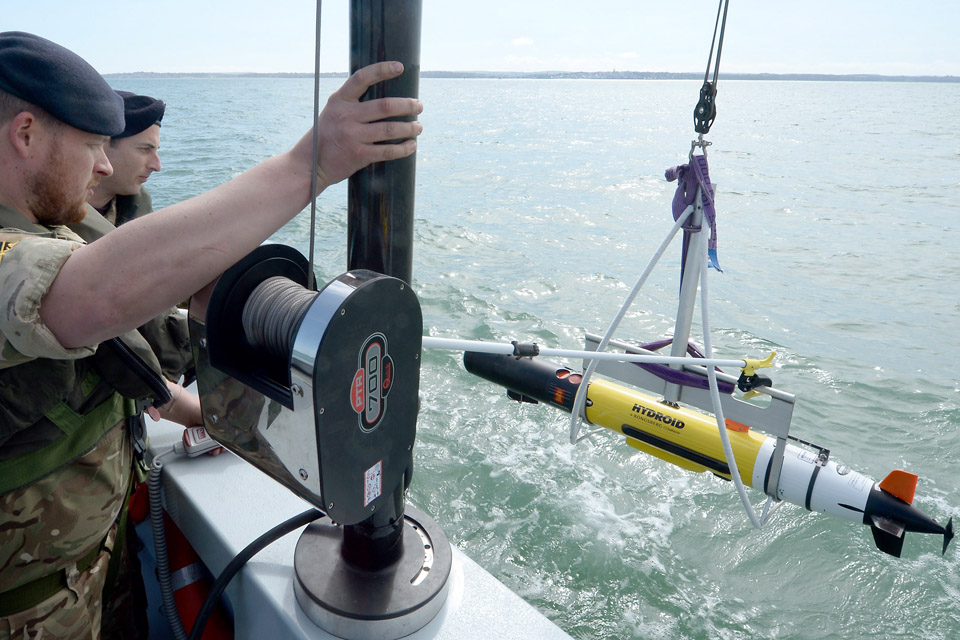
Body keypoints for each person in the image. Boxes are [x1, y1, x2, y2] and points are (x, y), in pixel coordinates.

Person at [0, 30, 422, 640]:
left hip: (94, 560)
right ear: (26, 134)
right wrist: (316, 165)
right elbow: (88, 296)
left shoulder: (46, 226)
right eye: (93, 144)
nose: (102, 165)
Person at [87, 91, 165, 225]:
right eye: (145, 149)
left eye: (156, 150)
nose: (157, 166)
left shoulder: (140, 204)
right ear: (101, 146)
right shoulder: (49, 212)